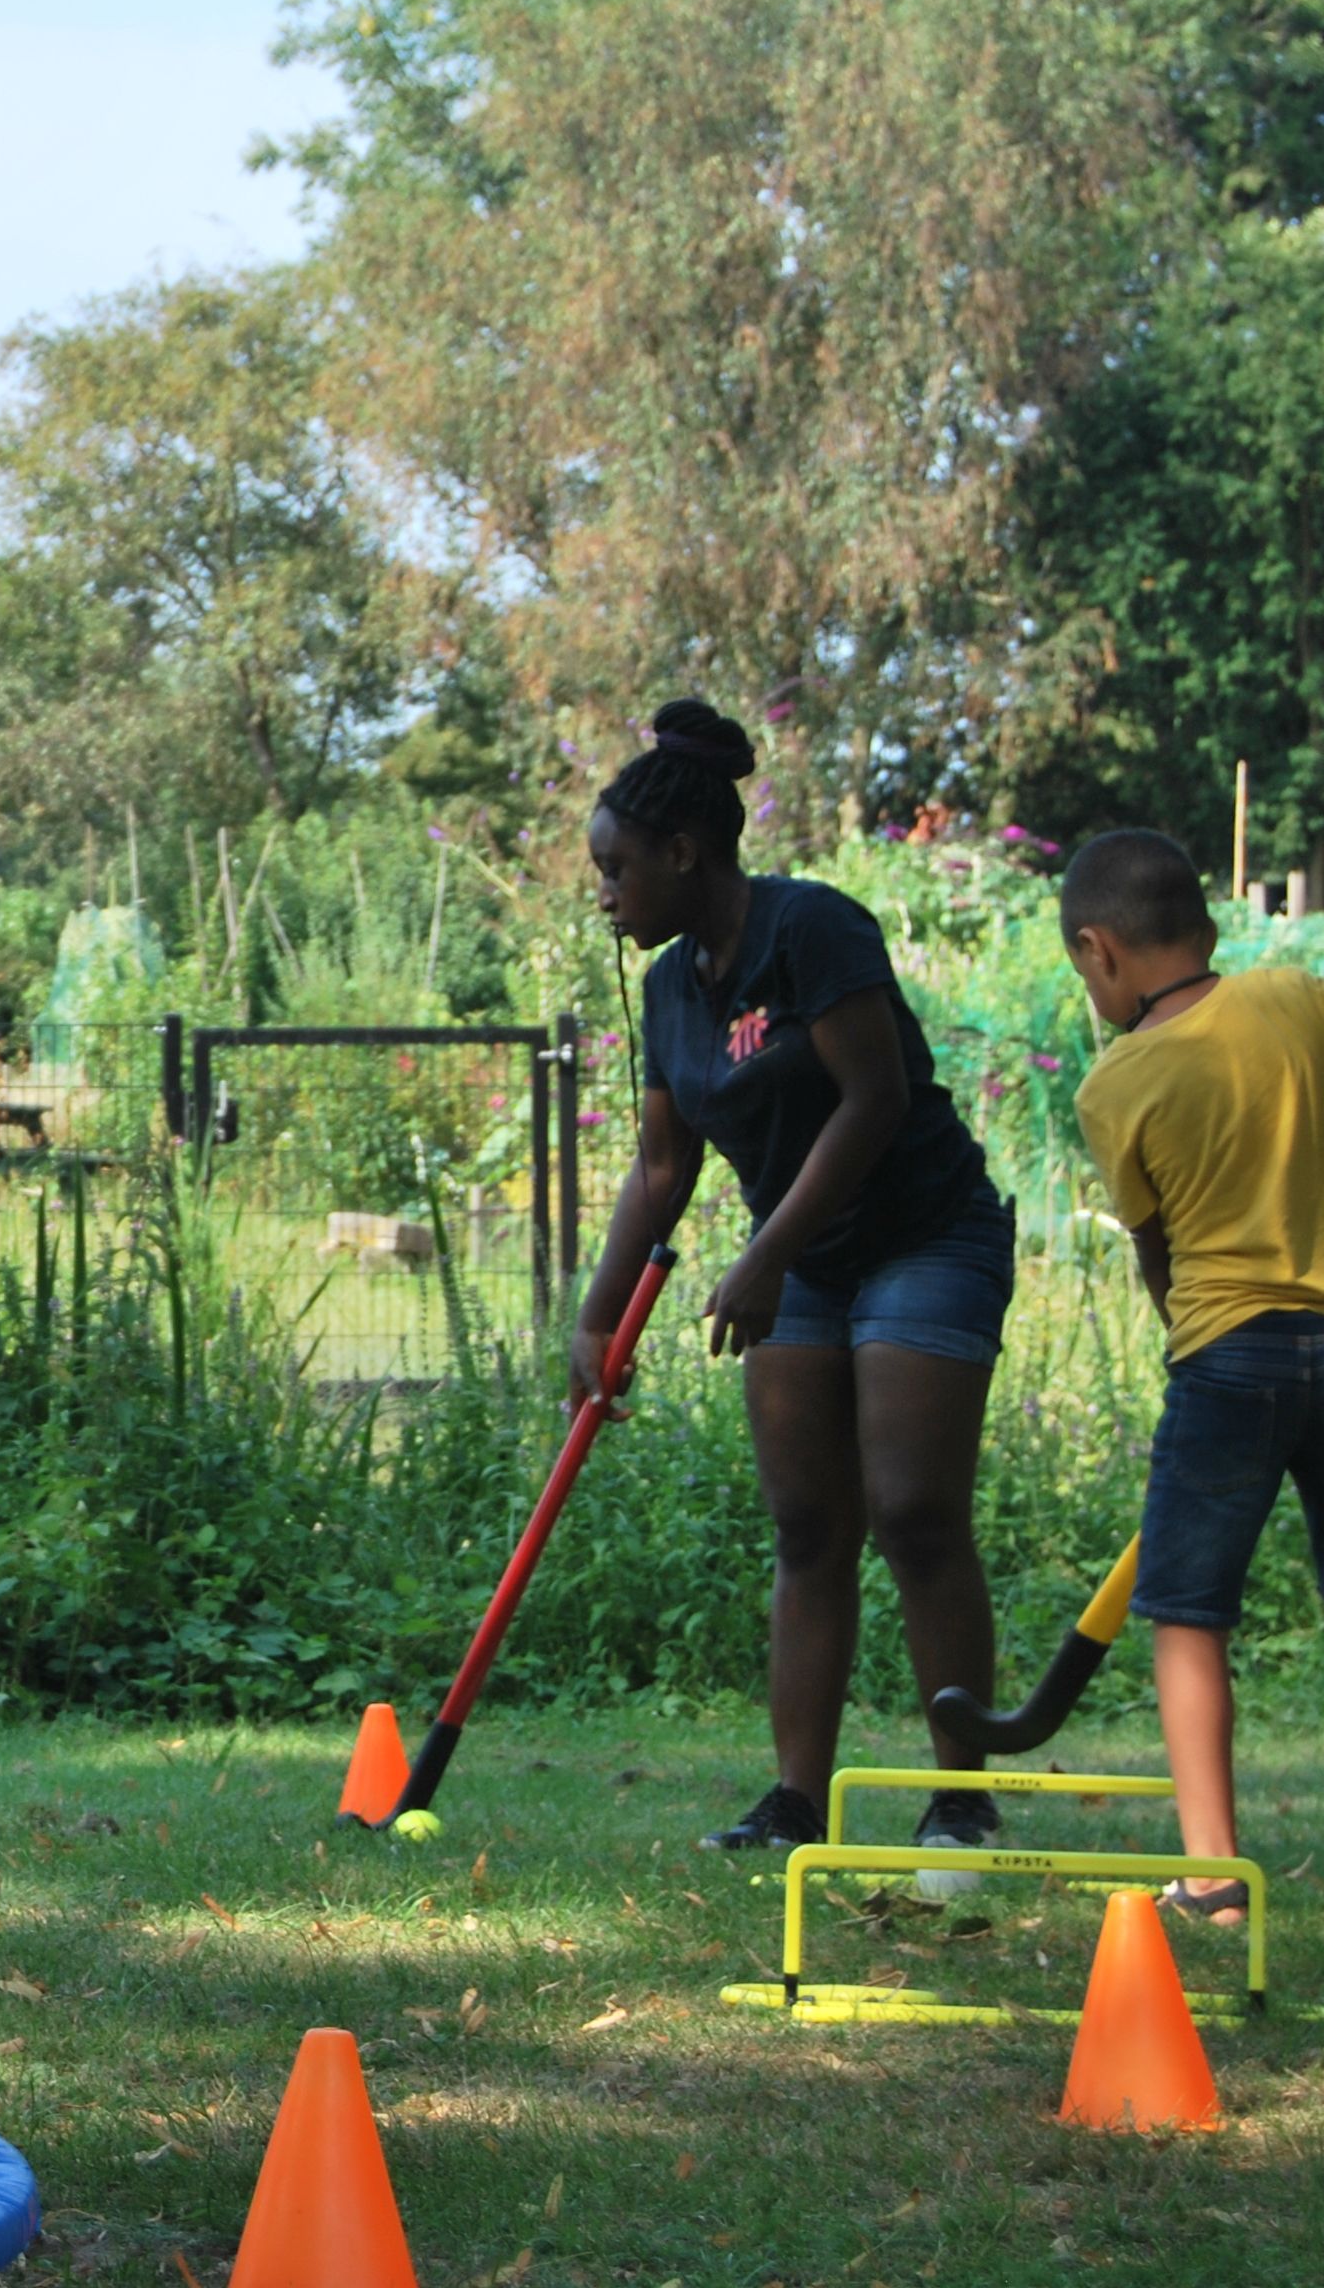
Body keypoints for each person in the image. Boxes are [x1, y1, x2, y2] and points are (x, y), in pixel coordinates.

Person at [572, 700, 1015, 1860]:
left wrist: (761, 1254)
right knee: (809, 1524)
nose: (602, 893)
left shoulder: (810, 927)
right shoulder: (669, 989)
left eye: (614, 869)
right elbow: (661, 1165)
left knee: (912, 1512)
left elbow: (872, 1102)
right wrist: (596, 1320)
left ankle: (958, 1800)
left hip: (926, 1237)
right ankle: (792, 1805)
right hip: (802, 1263)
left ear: (681, 852)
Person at [1059, 829, 1324, 1922]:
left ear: (1099, 952)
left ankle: (1214, 1872)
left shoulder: (1115, 1084)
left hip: (1226, 1358)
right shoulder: (1297, 998)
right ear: (1206, 926)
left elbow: (1158, 1253)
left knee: (1187, 1611)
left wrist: (1185, 1333)